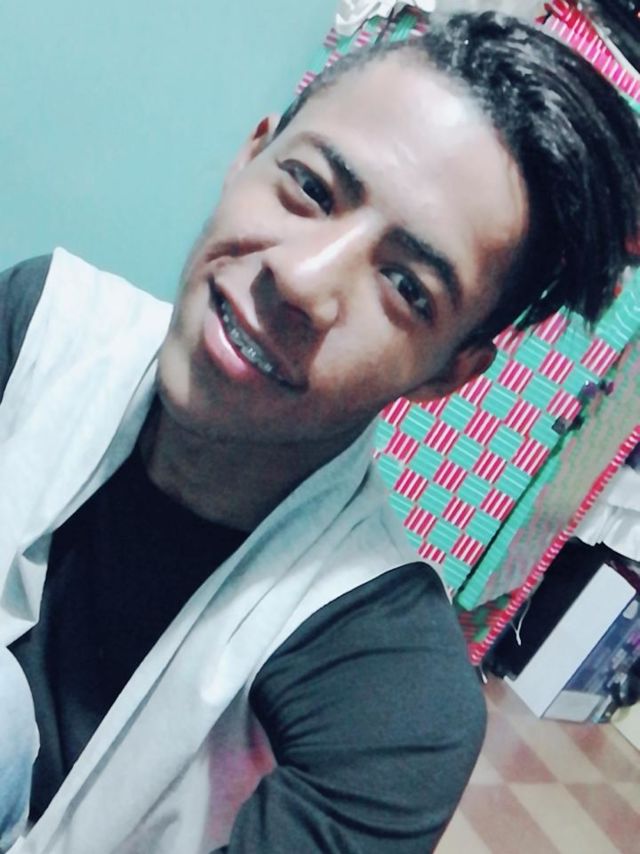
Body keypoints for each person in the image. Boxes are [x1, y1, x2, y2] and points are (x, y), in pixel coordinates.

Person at [1, 11, 639, 854]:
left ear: (450, 372)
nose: (301, 279)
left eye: (407, 287)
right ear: (249, 156)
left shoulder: (389, 697)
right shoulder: (40, 331)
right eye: (308, 187)